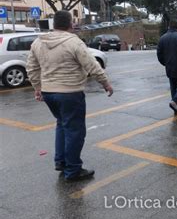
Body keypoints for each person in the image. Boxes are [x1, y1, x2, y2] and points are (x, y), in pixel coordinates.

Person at [26, 11, 113, 182]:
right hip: (70, 93)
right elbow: (91, 65)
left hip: (49, 93)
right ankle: (73, 170)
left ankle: (61, 162)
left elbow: (31, 67)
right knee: (75, 131)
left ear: (53, 24)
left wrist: (37, 87)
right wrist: (105, 83)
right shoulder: (74, 42)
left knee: (62, 125)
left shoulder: (38, 42)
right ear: (71, 24)